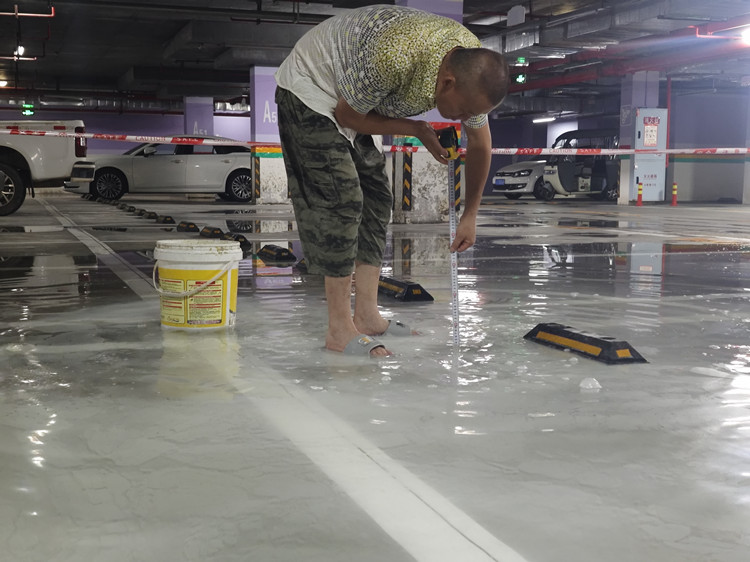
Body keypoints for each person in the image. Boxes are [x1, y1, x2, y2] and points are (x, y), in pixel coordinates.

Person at [275, 4, 509, 357]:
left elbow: (479, 144)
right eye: (463, 111)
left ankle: (367, 316)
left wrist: (470, 214)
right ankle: (339, 328)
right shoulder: (397, 54)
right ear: (448, 82)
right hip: (312, 86)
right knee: (341, 200)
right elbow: (347, 115)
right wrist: (417, 129)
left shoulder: (472, 70)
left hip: (352, 96)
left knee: (377, 197)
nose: (464, 119)